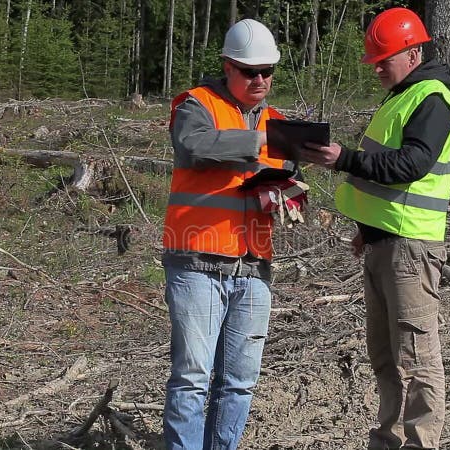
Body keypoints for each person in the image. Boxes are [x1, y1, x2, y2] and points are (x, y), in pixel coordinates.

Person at [300, 7, 450, 450]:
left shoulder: (431, 98)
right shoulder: (402, 96)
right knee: (387, 359)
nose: (377, 69)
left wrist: (344, 158)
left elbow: (411, 165)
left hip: (410, 250)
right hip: (385, 245)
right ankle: (387, 442)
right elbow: (391, 183)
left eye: (383, 60)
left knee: (417, 358)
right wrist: (367, 230)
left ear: (413, 53)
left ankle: (420, 443)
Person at [161, 18, 296, 450]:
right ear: (227, 66)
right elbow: (194, 146)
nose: (259, 79)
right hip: (197, 260)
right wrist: (258, 141)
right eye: (248, 71)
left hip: (253, 266)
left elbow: (284, 175)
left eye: (266, 71)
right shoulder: (195, 104)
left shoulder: (279, 120)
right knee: (192, 379)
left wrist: (287, 192)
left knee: (239, 382)